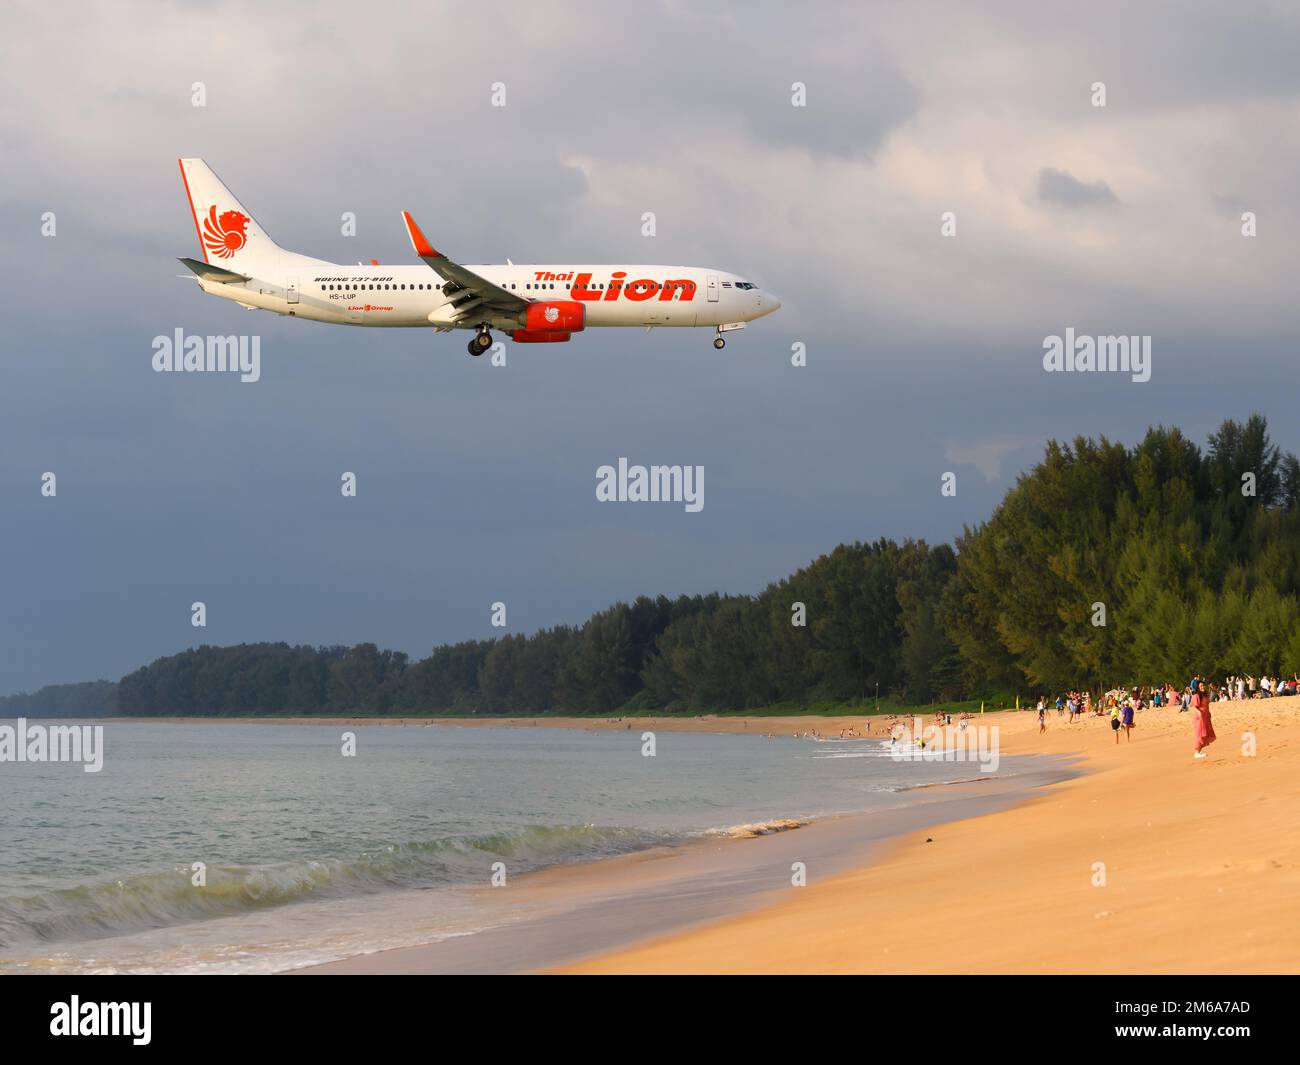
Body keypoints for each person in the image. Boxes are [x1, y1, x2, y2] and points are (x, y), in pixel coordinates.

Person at [1192, 680, 1216, 759]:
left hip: (1205, 716)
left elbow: (1207, 705)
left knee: (1204, 734)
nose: (1202, 687)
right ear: (1197, 688)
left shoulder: (1205, 694)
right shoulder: (1196, 695)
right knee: (1199, 734)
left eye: (1203, 686)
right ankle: (1197, 752)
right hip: (1200, 717)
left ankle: (1198, 751)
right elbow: (1194, 706)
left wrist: (1209, 713)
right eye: (1200, 686)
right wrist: (1199, 712)